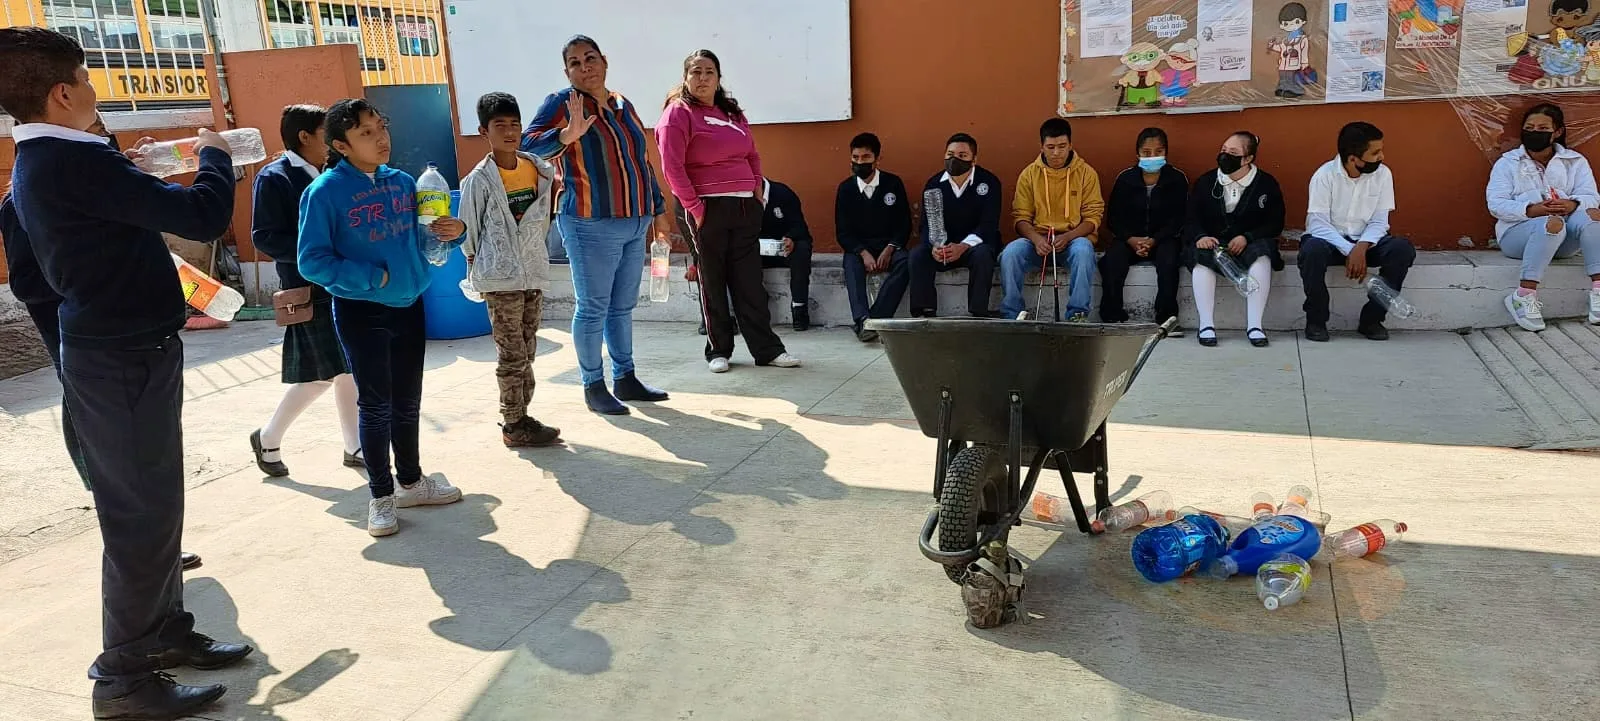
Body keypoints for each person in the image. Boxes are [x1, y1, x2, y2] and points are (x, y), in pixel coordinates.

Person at [0, 27, 251, 720]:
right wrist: (213, 154)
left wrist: (130, 175)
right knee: (139, 518)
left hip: (124, 352)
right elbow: (203, 212)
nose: (94, 89)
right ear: (62, 92)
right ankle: (124, 679)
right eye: (87, 78)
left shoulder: (54, 160)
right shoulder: (71, 165)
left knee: (156, 506)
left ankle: (165, 631)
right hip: (117, 357)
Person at [3, 113, 203, 573]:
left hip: (124, 332)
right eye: (93, 132)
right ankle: (137, 552)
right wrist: (93, 281)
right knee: (116, 465)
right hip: (88, 339)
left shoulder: (100, 180)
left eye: (103, 132)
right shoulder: (25, 197)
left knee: (145, 464)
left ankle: (154, 551)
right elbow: (29, 282)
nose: (102, 139)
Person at [297, 98, 467, 537]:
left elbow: (425, 237)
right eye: (366, 133)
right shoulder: (325, 192)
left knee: (408, 399)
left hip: (411, 303)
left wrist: (452, 233)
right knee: (376, 406)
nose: (381, 138)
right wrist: (371, 277)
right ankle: (380, 496)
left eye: (381, 127)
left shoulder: (403, 183)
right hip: (361, 308)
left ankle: (411, 481)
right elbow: (312, 261)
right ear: (341, 144)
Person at [522, 35, 673, 414]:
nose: (584, 66)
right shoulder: (562, 103)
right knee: (593, 307)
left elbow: (642, 162)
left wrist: (659, 212)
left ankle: (626, 377)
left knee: (622, 306)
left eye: (590, 58)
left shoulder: (623, 104)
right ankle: (593, 384)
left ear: (604, 61)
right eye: (575, 62)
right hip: (590, 222)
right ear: (567, 71)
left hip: (635, 219)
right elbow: (527, 145)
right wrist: (566, 135)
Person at [657, 49, 801, 373]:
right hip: (705, 209)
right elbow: (672, 167)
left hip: (744, 207)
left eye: (709, 72)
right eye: (696, 72)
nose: (703, 78)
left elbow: (752, 154)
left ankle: (767, 350)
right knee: (712, 280)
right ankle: (718, 349)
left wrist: (757, 192)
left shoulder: (731, 113)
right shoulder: (678, 114)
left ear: (719, 78)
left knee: (750, 281)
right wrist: (694, 208)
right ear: (685, 78)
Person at [248, 104, 364, 476]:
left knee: (346, 368)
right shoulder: (275, 178)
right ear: (304, 136)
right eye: (324, 133)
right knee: (322, 375)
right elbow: (264, 236)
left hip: (342, 281)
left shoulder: (331, 172)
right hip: (307, 287)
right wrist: (313, 252)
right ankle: (268, 437)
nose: (331, 142)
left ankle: (354, 445)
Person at [460, 92, 563, 447]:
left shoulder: (536, 168)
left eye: (514, 124)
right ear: (483, 131)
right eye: (499, 125)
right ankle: (513, 422)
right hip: (499, 277)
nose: (509, 132)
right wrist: (475, 267)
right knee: (511, 352)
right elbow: (469, 230)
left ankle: (523, 413)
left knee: (528, 348)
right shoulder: (479, 180)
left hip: (531, 273)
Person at [1300, 121, 1417, 342]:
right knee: (1311, 251)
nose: (1382, 156)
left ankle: (1372, 320)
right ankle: (1316, 320)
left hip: (1368, 243)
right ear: (1353, 158)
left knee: (1401, 249)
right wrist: (1349, 249)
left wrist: (1361, 248)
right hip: (1330, 241)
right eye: (1375, 152)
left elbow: (1380, 221)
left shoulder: (1383, 174)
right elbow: (1318, 224)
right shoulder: (1324, 176)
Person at [1489, 102, 1600, 331]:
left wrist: (1571, 204)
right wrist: (1532, 210)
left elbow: (1591, 196)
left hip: (1564, 237)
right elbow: (1496, 205)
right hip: (1517, 237)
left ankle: (1598, 290)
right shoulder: (1508, 163)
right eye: (1529, 127)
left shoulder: (1575, 162)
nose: (1534, 133)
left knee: (1593, 216)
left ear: (1557, 132)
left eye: (1542, 128)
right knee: (1551, 223)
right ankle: (1524, 295)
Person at [1184, 131, 1285, 347]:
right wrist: (1201, 236)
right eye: (1223, 151)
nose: (1225, 156)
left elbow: (1274, 223)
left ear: (1248, 158)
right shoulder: (1206, 182)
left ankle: (1255, 325)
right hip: (1213, 242)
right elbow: (1191, 217)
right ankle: (1206, 325)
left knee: (1262, 257)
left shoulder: (1266, 184)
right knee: (1201, 259)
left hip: (1249, 243)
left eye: (1233, 153)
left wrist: (1247, 237)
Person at [1000, 118, 1103, 322]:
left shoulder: (1086, 173)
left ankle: (1077, 314)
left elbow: (1093, 217)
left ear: (1071, 145)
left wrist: (1069, 236)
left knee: (1084, 251)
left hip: (1072, 239)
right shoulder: (1029, 175)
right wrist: (1037, 240)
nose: (1056, 153)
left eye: (1062, 146)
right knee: (1010, 253)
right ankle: (1013, 315)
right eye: (1051, 147)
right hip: (1038, 241)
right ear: (1042, 147)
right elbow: (1020, 217)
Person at [1099, 127, 1187, 331]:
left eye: (1158, 152)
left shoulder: (1176, 179)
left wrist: (1154, 240)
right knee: (1112, 260)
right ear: (1137, 153)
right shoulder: (1125, 179)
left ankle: (1166, 318)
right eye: (1146, 153)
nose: (1152, 157)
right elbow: (1113, 218)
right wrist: (1131, 239)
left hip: (1163, 239)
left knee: (1169, 261)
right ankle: (1112, 315)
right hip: (1130, 239)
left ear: (1166, 152)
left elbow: (1179, 218)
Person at [909, 132, 1002, 318]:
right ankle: (924, 311)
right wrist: (935, 246)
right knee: (917, 254)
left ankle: (978, 311)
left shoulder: (989, 182)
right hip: (944, 247)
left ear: (974, 159)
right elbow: (927, 224)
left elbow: (988, 224)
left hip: (973, 246)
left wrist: (963, 246)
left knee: (983, 254)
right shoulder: (934, 184)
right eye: (950, 155)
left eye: (962, 156)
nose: (955, 160)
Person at [836, 132, 911, 341]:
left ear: (877, 159)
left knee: (906, 263)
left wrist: (890, 248)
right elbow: (843, 232)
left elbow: (904, 224)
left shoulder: (893, 184)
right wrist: (863, 253)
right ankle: (861, 319)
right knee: (850, 264)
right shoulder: (846, 189)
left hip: (889, 246)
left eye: (866, 158)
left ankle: (876, 319)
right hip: (860, 248)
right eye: (856, 158)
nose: (860, 162)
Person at [759, 176, 814, 330]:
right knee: (740, 254)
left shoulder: (782, 193)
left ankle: (799, 308)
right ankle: (758, 306)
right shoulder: (740, 198)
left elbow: (800, 226)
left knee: (802, 250)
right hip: (757, 250)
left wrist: (791, 237)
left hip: (785, 248)